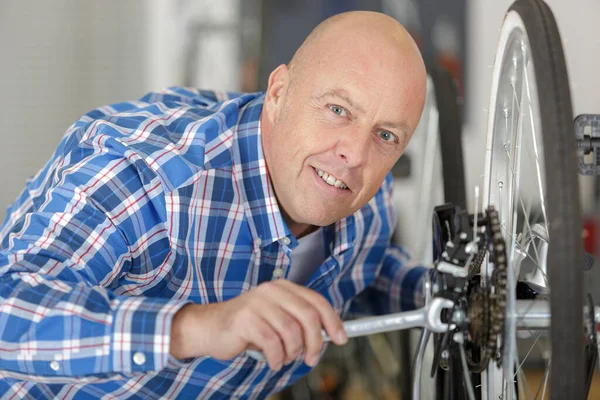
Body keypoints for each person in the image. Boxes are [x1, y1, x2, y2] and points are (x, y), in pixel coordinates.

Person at [0, 10, 427, 399]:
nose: (355, 153)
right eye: (338, 109)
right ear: (278, 93)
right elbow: (8, 310)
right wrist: (201, 326)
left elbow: (361, 270)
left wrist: (433, 292)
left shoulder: (365, 206)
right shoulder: (147, 179)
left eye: (386, 135)